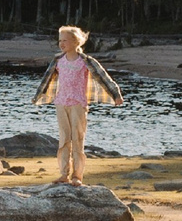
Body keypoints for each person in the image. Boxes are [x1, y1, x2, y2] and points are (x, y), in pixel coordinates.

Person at [31, 26, 122, 183]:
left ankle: (77, 176)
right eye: (60, 40)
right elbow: (46, 80)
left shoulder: (85, 61)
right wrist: (37, 97)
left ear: (75, 42)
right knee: (64, 139)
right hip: (61, 102)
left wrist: (116, 95)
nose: (61, 44)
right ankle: (64, 174)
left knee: (77, 139)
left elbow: (104, 78)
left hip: (78, 104)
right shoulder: (58, 61)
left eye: (65, 40)